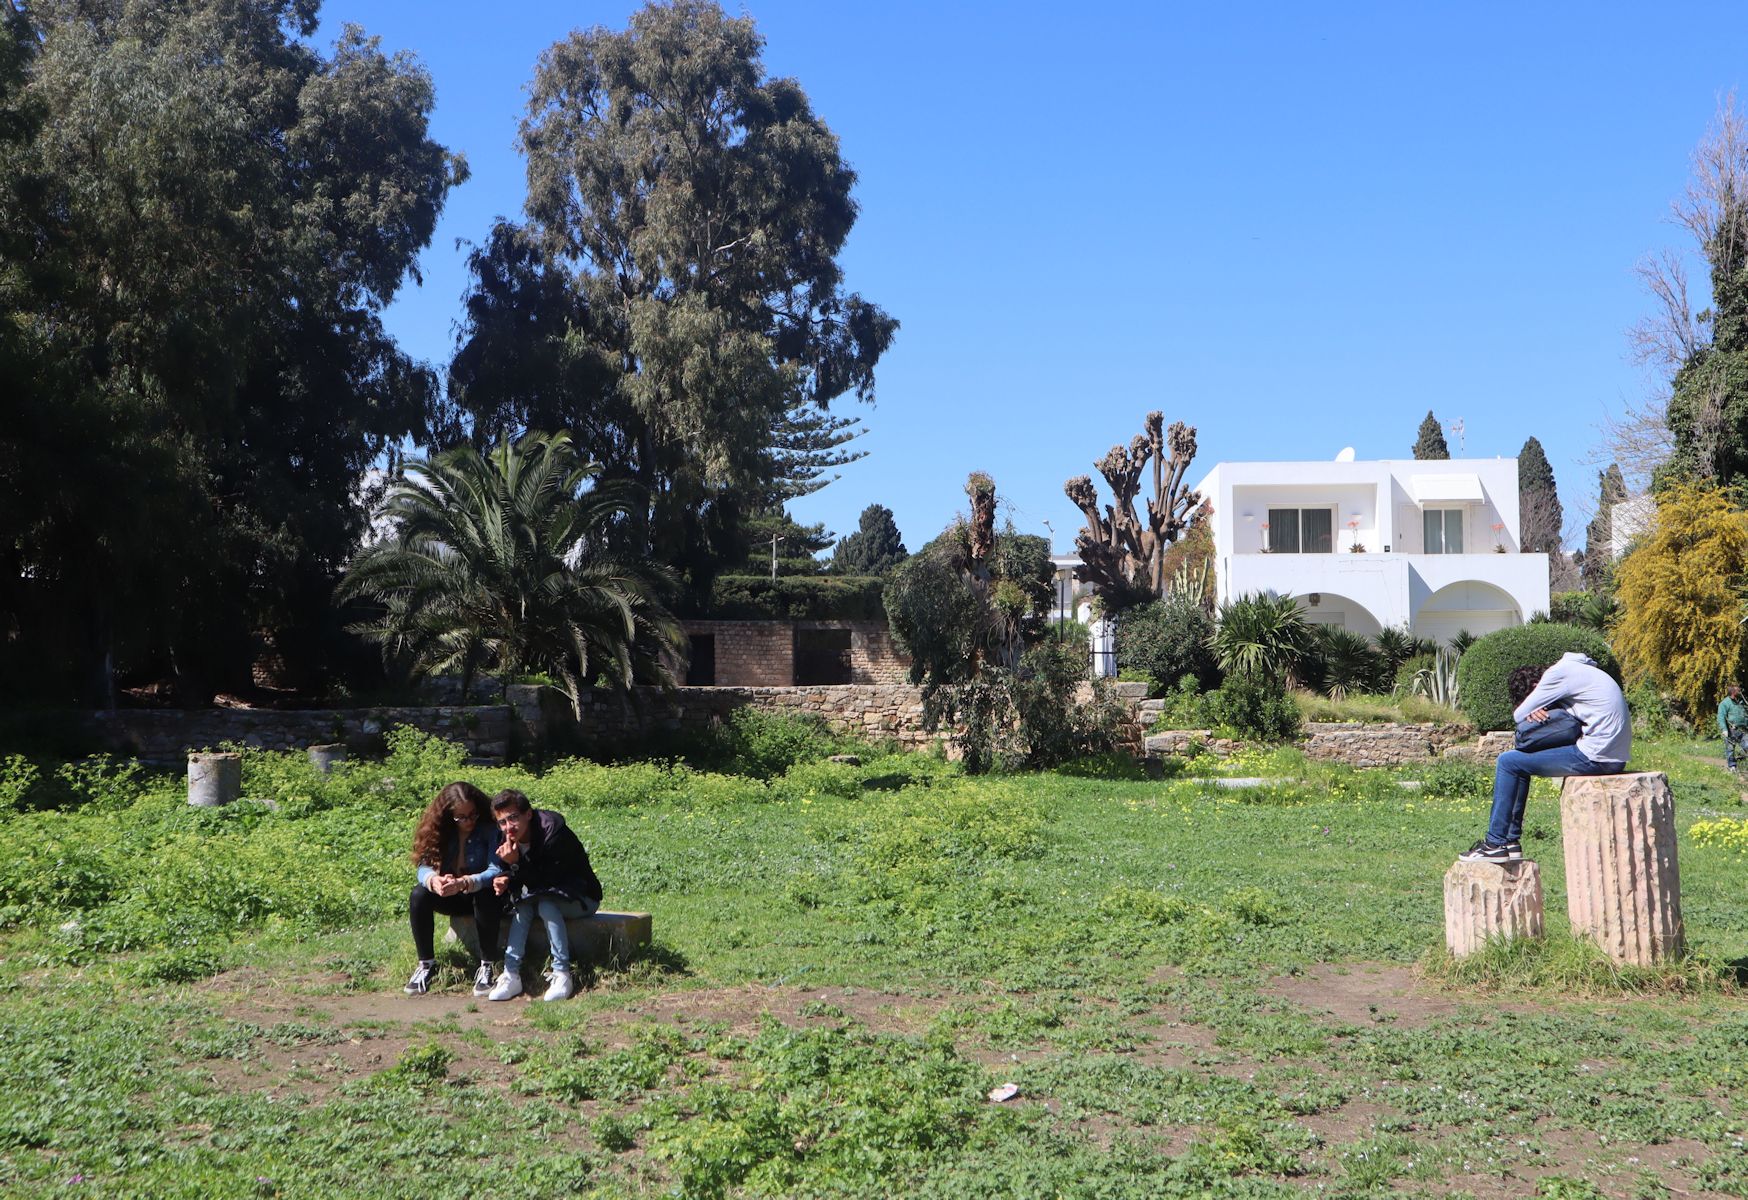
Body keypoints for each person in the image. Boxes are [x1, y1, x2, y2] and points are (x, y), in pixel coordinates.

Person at [1459, 651, 1631, 863]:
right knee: (1518, 763)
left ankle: (1495, 843)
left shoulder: (1558, 673)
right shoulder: (1586, 670)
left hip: (1596, 756)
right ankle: (1510, 842)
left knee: (1508, 762)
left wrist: (1535, 708)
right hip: (1615, 756)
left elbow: (1519, 715)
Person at [486, 789, 603, 1002]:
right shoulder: (505, 837)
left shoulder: (553, 834)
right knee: (524, 905)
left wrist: (515, 864)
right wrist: (504, 877)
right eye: (502, 822)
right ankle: (511, 974)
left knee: (546, 906)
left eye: (513, 818)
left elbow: (546, 882)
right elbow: (520, 881)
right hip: (541, 896)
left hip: (582, 897)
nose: (508, 827)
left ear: (528, 814)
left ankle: (562, 974)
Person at [405, 781, 505, 996]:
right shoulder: (439, 832)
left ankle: (487, 964)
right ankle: (426, 964)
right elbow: (423, 866)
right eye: (461, 817)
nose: (469, 821)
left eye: (473, 814)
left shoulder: (490, 830)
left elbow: (495, 869)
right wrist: (434, 880)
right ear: (448, 815)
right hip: (450, 894)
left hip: (480, 895)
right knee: (419, 894)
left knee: (486, 893)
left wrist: (466, 881)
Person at [1719, 683, 1747, 772]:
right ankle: (1732, 767)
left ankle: (1740, 759)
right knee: (1730, 749)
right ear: (1733, 692)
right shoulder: (1725, 703)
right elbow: (1721, 717)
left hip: (1743, 731)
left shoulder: (1741, 701)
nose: (1740, 691)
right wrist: (1724, 729)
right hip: (1731, 731)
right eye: (1738, 690)